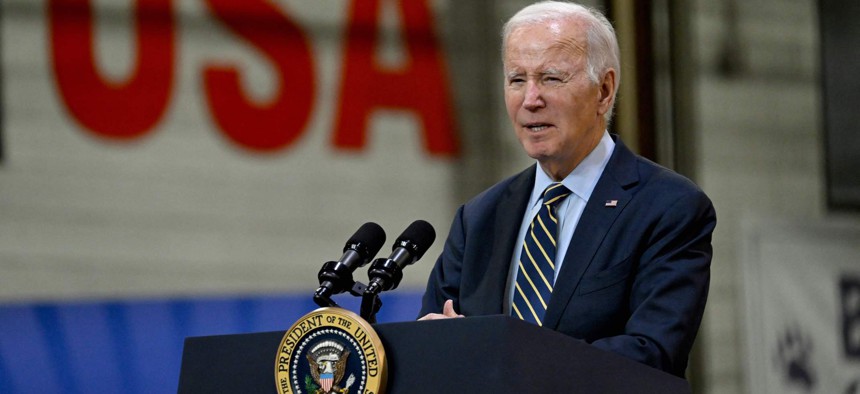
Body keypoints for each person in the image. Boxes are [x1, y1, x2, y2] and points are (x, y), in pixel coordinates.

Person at [418, 0, 716, 378]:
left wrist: (499, 356)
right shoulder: (479, 217)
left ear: (604, 91)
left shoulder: (668, 207)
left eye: (551, 78)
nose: (530, 100)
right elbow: (433, 339)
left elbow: (651, 352)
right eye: (517, 79)